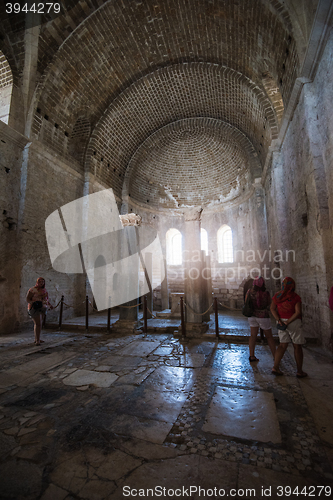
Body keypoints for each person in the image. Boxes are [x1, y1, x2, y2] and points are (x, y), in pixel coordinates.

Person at [270, 277, 307, 378]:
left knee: (282, 345)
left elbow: (272, 308)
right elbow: (298, 312)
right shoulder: (295, 297)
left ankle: (275, 367)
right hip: (293, 322)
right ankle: (299, 371)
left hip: (281, 322)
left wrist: (278, 320)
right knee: (297, 346)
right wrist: (288, 322)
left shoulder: (277, 296)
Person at [245, 277, 276, 362]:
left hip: (252, 316)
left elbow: (246, 302)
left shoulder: (249, 292)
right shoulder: (266, 293)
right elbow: (268, 303)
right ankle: (275, 357)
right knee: (269, 337)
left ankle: (251, 356)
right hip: (263, 316)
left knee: (253, 336)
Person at [26, 277, 53, 345]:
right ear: (37, 282)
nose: (41, 283)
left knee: (40, 323)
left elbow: (46, 299)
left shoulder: (44, 290)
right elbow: (28, 299)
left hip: (43, 307)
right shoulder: (32, 290)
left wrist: (49, 305)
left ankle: (38, 338)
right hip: (35, 308)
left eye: (43, 281)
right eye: (40, 281)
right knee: (38, 323)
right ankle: (37, 340)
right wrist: (33, 302)